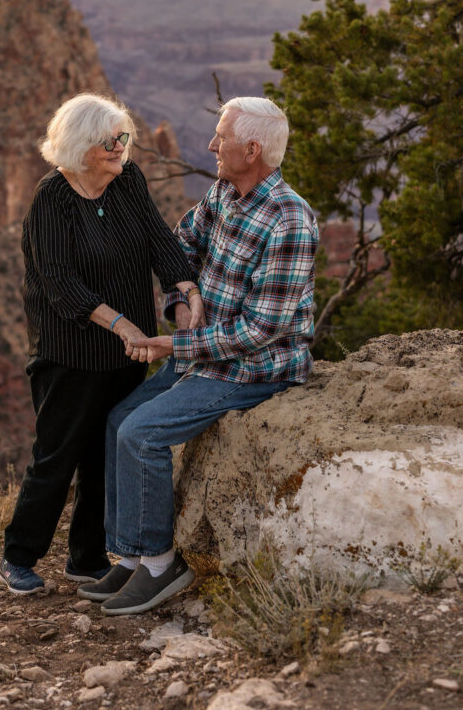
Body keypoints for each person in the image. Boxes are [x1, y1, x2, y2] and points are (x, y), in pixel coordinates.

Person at [78, 96, 318, 615]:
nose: (210, 145)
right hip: (205, 356)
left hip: (254, 370)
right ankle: (133, 555)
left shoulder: (290, 220)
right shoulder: (224, 193)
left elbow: (262, 329)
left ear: (251, 149)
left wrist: (175, 343)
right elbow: (179, 246)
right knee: (120, 418)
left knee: (143, 434)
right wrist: (183, 298)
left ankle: (164, 566)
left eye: (221, 137)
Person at [0, 93, 202, 595]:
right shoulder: (52, 200)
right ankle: (18, 556)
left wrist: (186, 288)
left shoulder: (127, 180)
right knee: (58, 454)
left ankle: (86, 558)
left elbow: (159, 239)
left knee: (106, 452)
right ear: (79, 145)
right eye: (108, 141)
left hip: (126, 351)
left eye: (123, 137)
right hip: (68, 352)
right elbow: (60, 283)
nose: (119, 147)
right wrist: (123, 325)